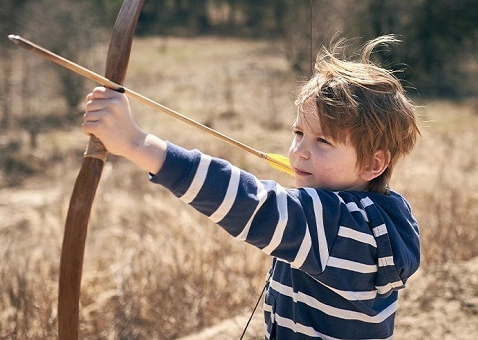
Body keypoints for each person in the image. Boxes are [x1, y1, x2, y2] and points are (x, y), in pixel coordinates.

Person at [82, 35, 421, 340]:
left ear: (373, 164)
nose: (299, 151)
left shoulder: (339, 228)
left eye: (323, 142)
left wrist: (136, 144)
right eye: (299, 133)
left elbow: (254, 205)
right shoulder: (386, 214)